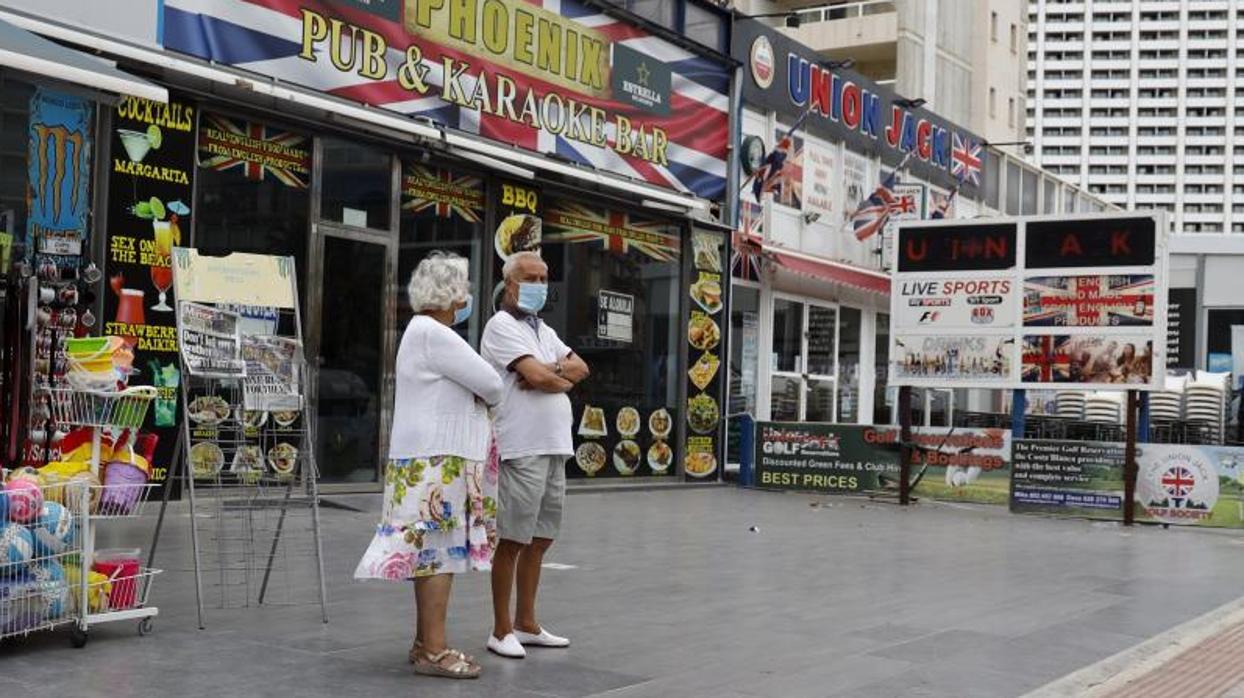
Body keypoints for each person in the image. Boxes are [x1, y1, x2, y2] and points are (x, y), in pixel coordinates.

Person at [355, 252, 502, 680]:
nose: (468, 297)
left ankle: (425, 643)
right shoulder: (435, 333)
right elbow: (492, 384)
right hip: (437, 462)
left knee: (432, 553)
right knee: (439, 553)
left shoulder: (421, 332)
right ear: (451, 294)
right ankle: (434, 650)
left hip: (429, 458)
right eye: (464, 289)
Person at [481, 250, 589, 659]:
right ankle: (501, 628)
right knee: (511, 539)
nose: (540, 286)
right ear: (509, 283)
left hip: (555, 445)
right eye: (531, 278)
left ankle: (527, 623)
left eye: (544, 278)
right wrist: (550, 374)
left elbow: (580, 369)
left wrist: (550, 374)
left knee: (541, 538)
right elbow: (541, 376)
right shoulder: (500, 325)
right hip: (521, 445)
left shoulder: (543, 330)